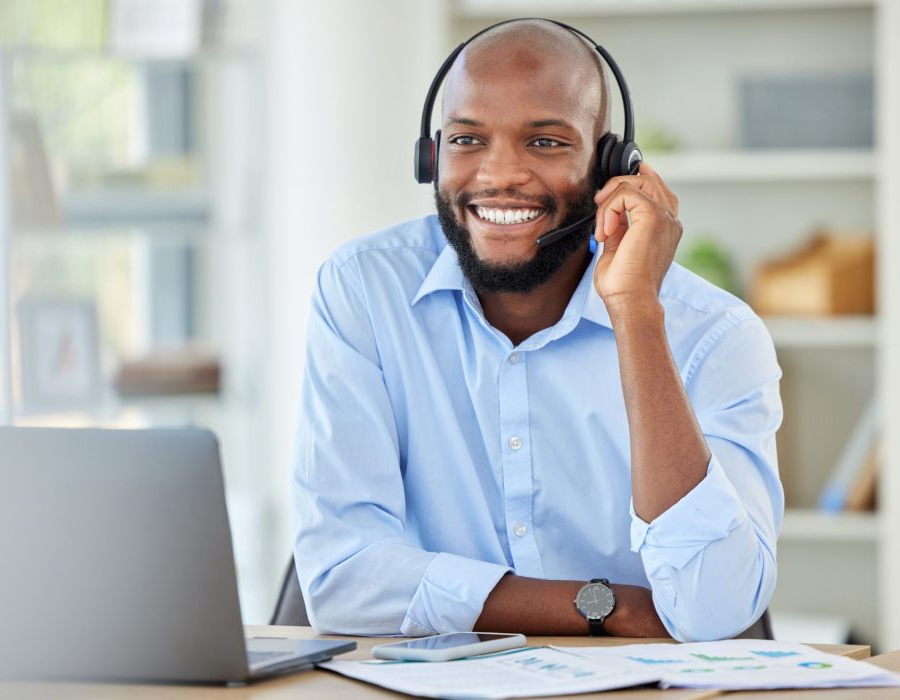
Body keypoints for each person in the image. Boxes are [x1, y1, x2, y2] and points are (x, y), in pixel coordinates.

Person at [291, 19, 783, 642]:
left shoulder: (717, 335)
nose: (500, 175)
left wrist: (635, 312)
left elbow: (712, 609)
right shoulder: (364, 290)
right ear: (432, 154)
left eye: (545, 143)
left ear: (613, 167)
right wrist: (604, 607)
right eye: (468, 139)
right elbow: (341, 579)